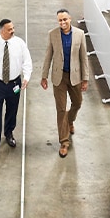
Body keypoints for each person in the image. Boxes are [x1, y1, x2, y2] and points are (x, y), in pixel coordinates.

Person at [40, 8, 89, 158]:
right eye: (60, 20)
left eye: (65, 19)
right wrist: (44, 76)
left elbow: (83, 58)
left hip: (75, 76)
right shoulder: (53, 34)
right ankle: (64, 142)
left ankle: (70, 120)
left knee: (77, 103)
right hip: (58, 77)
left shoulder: (80, 34)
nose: (62, 22)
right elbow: (48, 56)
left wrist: (85, 79)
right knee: (61, 109)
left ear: (70, 19)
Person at [0, 18, 32, 157]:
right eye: (9, 29)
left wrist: (26, 77)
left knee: (12, 110)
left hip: (14, 83)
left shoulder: (19, 43)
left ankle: (9, 133)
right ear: (2, 31)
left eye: (13, 28)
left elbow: (27, 60)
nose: (13, 31)